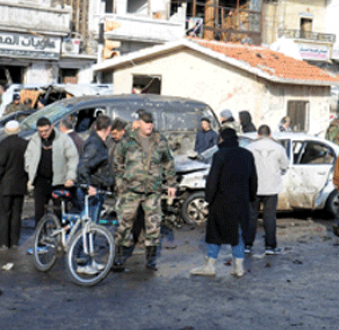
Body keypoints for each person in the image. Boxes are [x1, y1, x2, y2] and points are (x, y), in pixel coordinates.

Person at [112, 110, 177, 272]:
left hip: (152, 191)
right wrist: (120, 182)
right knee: (125, 224)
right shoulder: (128, 140)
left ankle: (151, 259)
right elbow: (117, 161)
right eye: (146, 122)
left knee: (154, 225)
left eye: (151, 122)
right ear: (139, 123)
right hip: (131, 190)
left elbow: (168, 162)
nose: (149, 125)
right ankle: (119, 257)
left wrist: (171, 184)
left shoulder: (160, 141)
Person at [190, 128, 257, 277]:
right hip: (241, 202)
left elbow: (212, 179)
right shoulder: (247, 155)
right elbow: (253, 179)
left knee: (215, 233)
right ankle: (239, 267)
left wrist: (208, 198)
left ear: (223, 139)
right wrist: (252, 197)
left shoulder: (219, 155)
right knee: (238, 234)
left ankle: (209, 266)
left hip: (221, 201)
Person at [25, 117, 79, 225]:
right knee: (39, 214)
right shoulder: (34, 140)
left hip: (59, 182)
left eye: (46, 130)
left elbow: (73, 159)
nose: (44, 133)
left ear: (52, 127)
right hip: (40, 181)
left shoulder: (64, 139)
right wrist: (30, 172)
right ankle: (39, 239)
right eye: (41, 131)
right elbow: (28, 157)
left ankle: (62, 238)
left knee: (60, 213)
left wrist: (71, 177)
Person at [245, 125, 288, 255]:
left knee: (251, 216)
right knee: (269, 217)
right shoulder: (278, 148)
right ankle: (270, 246)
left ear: (257, 135)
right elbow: (285, 165)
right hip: (271, 187)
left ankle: (247, 244)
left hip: (253, 187)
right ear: (270, 135)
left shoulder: (249, 148)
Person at [76, 115, 113, 223]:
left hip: (96, 188)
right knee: (90, 225)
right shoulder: (95, 144)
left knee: (88, 222)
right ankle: (74, 238)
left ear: (96, 126)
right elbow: (83, 166)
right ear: (109, 129)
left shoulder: (97, 142)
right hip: (92, 190)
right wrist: (88, 186)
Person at [0, 121, 29, 249]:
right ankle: (15, 241)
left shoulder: (4, 144)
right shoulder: (25, 144)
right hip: (20, 183)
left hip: (5, 184)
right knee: (17, 213)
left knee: (5, 214)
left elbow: (1, 164)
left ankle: (4, 242)